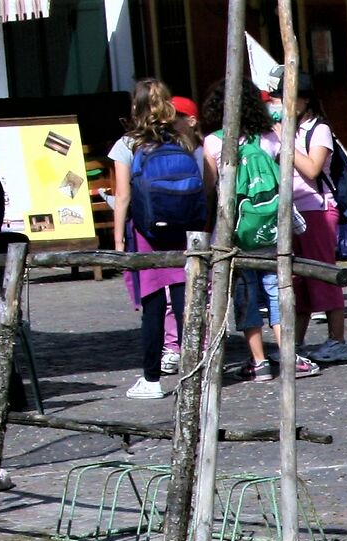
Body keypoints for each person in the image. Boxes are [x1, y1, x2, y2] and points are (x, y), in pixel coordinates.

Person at [201, 78, 315, 383]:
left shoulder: (213, 142)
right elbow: (283, 180)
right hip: (271, 230)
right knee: (277, 293)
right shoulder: (269, 138)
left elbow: (208, 190)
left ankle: (259, 362)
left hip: (234, 233)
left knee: (245, 297)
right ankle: (289, 356)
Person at [118, 80, 192, 399]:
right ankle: (194, 374)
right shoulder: (184, 138)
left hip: (146, 229)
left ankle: (151, 379)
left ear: (136, 107)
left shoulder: (128, 143)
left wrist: (119, 241)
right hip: (182, 226)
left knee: (153, 303)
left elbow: (122, 196)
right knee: (183, 300)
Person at [285, 74, 347, 363]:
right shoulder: (294, 129)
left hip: (317, 207)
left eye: (289, 97)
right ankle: (296, 342)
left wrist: (287, 145)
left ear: (305, 100)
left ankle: (337, 340)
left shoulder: (319, 130)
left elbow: (312, 169)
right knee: (297, 278)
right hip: (292, 210)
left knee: (323, 274)